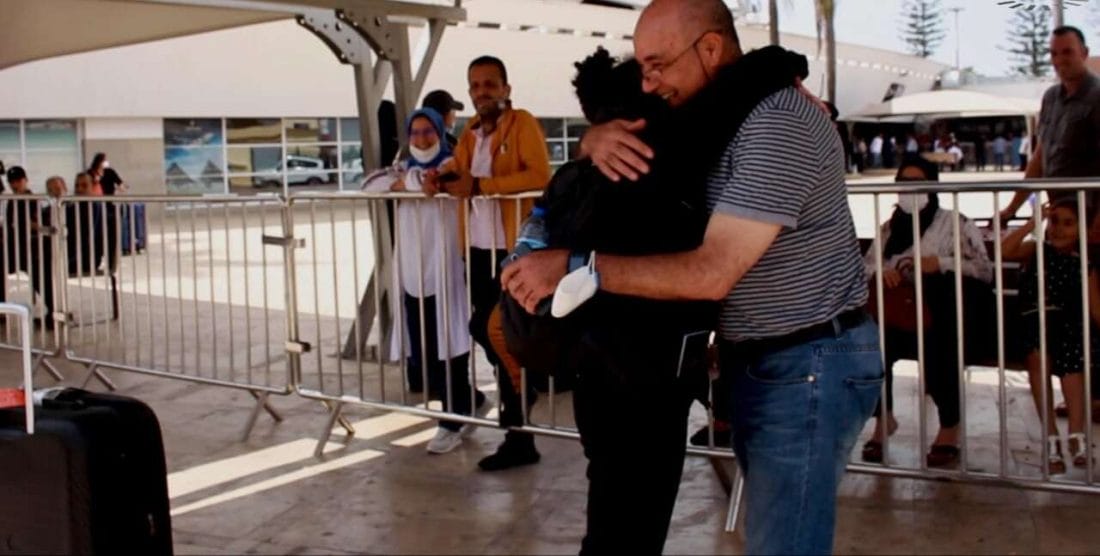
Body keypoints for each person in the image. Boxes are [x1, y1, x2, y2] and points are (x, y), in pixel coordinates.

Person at [501, 1, 882, 553]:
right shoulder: (717, 113)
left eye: (658, 65)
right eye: (642, 68)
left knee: (785, 543)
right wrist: (595, 138)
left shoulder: (778, 121)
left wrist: (575, 266)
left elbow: (712, 273)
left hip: (808, 363)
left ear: (709, 49)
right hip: (761, 360)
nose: (650, 83)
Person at [433, 55, 551, 471]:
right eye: (475, 85)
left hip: (514, 252)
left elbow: (539, 176)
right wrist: (443, 179)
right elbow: (460, 174)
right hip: (479, 252)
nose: (482, 91)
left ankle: (520, 423)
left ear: (505, 88)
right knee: (492, 333)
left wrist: (482, 185)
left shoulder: (523, 124)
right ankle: (523, 403)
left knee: (494, 329)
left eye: (489, 84)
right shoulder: (468, 134)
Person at [362, 108, 488, 455]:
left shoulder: (455, 164)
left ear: (439, 132)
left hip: (446, 268)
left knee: (451, 347)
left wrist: (430, 182)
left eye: (428, 131)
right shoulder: (402, 169)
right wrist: (414, 183)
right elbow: (369, 185)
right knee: (424, 355)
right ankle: (471, 401)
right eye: (415, 132)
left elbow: (455, 182)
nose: (421, 139)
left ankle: (453, 420)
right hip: (412, 273)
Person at [861, 155, 994, 466]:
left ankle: (949, 427)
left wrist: (941, 264)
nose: (910, 189)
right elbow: (864, 266)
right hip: (898, 314)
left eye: (917, 182)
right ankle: (884, 418)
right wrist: (882, 272)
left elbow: (984, 270)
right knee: (869, 346)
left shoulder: (955, 223)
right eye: (903, 183)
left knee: (940, 346)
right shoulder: (888, 229)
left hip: (943, 317)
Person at [1003, 198, 1095, 472]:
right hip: (1035, 320)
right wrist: (1033, 221)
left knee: (1073, 364)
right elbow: (1005, 250)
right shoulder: (1037, 251)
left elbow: (1093, 304)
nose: (1059, 229)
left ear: (1083, 229)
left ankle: (1077, 435)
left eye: (1069, 224)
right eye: (1055, 222)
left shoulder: (1084, 262)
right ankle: (1051, 435)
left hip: (1069, 324)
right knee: (1037, 356)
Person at [1000, 27, 1100, 223]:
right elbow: (1039, 158)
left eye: (1067, 52)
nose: (1059, 60)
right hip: (1060, 217)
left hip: (1092, 218)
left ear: (1085, 53)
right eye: (1054, 53)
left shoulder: (1097, 97)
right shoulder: (1051, 98)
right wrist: (1011, 209)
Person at [2, 166, 56, 329]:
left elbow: (36, 223)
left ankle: (53, 311)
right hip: (14, 246)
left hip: (29, 248)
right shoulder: (13, 200)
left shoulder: (32, 199)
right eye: (11, 182)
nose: (14, 185)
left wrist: (33, 226)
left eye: (18, 181)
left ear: (25, 180)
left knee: (40, 275)